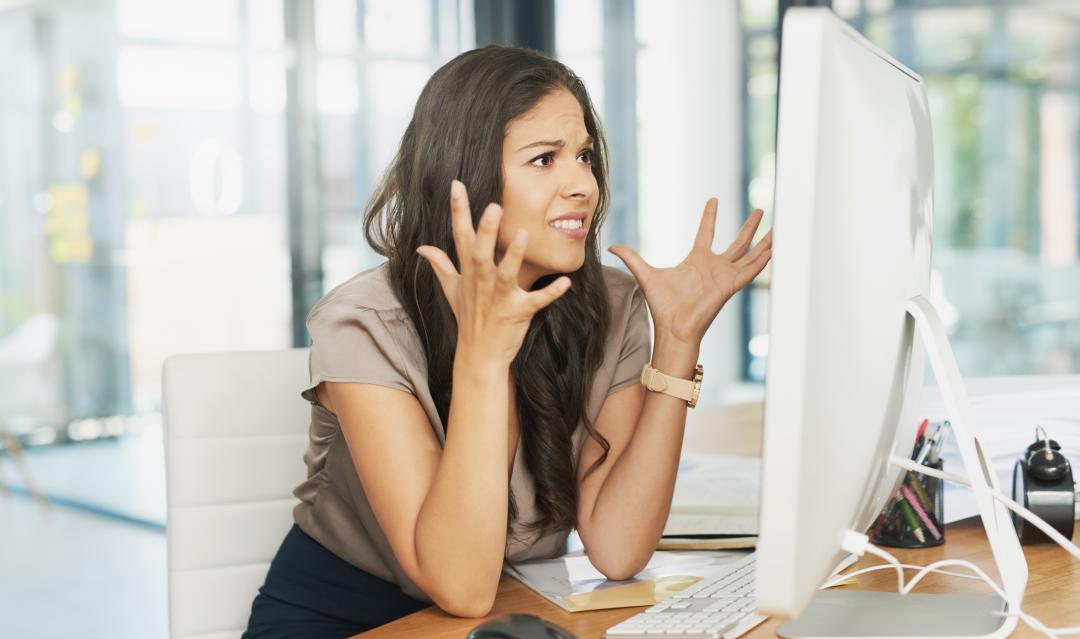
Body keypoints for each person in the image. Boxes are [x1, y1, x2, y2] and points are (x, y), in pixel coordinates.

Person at [243, 44, 772, 638]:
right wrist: (485, 361)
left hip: (508, 609)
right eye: (544, 160)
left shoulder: (614, 304)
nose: (583, 185)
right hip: (349, 617)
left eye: (584, 156)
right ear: (465, 177)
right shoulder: (366, 323)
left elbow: (619, 549)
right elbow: (460, 585)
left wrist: (678, 342)